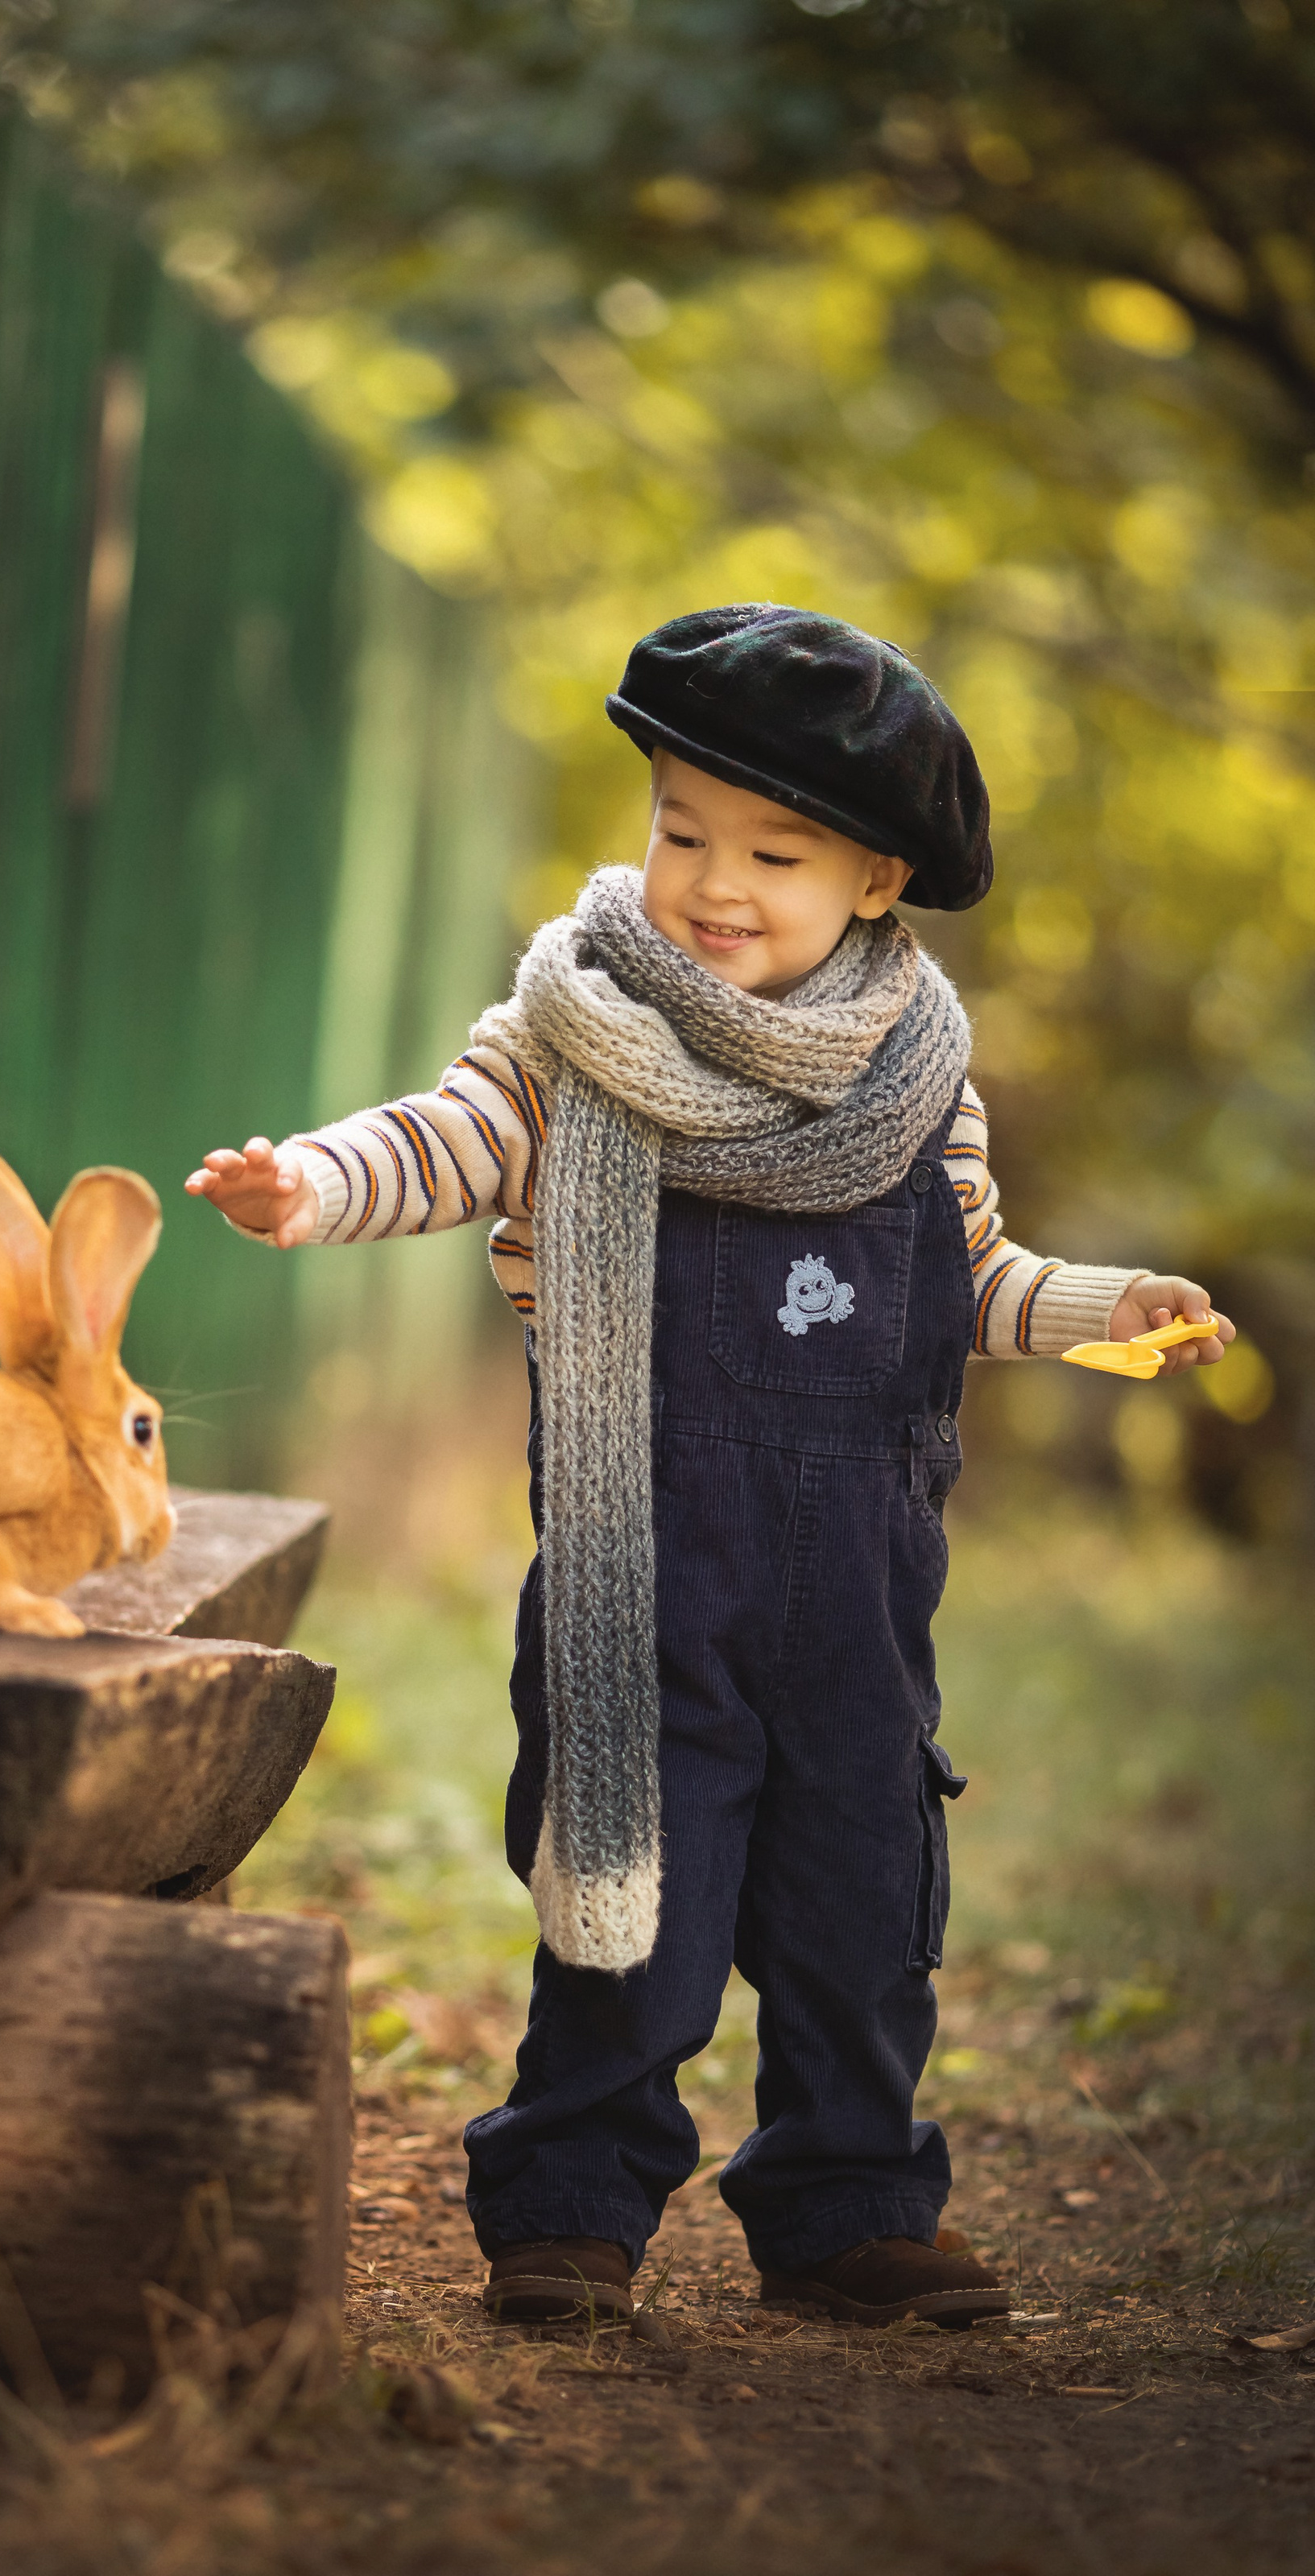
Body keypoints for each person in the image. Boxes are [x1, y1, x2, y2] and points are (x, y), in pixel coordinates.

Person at [187, 604, 1233, 2330]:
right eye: (680, 832)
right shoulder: (568, 1028)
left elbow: (962, 1276)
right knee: (622, 1916)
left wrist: (1111, 1307)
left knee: (855, 1908)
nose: (711, 883)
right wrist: (308, 1179)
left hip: (853, 1597)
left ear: (875, 882)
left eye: (772, 852)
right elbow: (444, 1141)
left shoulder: (916, 1079)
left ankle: (844, 2204)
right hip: (640, 1574)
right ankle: (571, 2201)